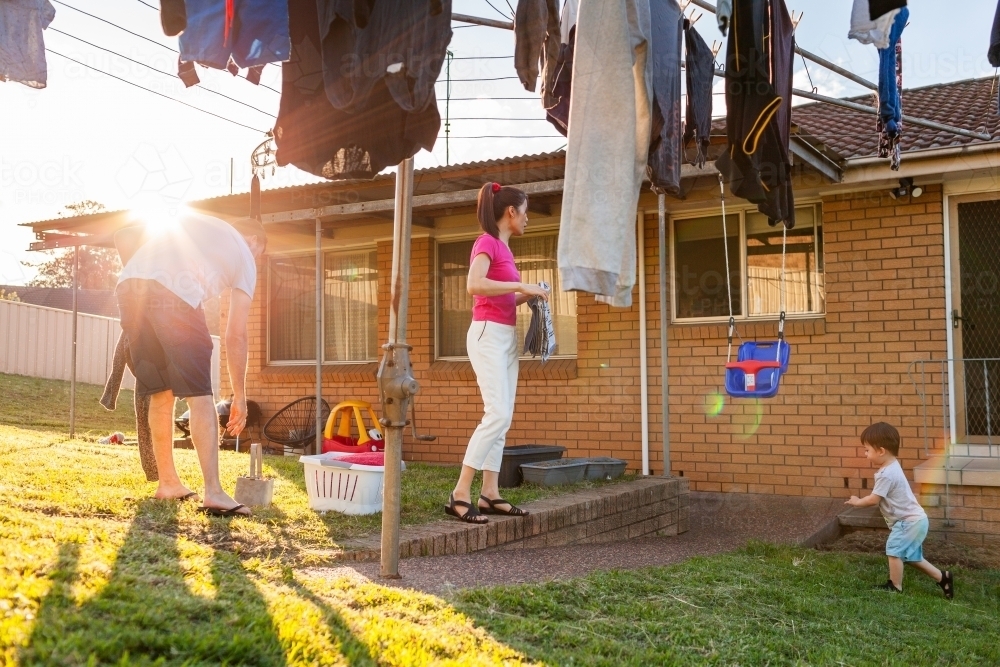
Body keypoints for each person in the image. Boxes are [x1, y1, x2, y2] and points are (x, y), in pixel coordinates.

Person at [116, 212, 266, 517]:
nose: (258, 260)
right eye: (261, 253)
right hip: (173, 292)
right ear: (256, 242)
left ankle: (169, 483)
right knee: (200, 394)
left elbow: (128, 234)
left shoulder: (208, 227)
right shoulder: (246, 255)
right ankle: (214, 492)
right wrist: (239, 395)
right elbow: (236, 335)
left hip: (129, 285)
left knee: (161, 392)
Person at [445, 182, 549, 524]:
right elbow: (475, 285)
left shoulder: (505, 248)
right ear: (510, 212)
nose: (528, 218)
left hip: (505, 336)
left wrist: (528, 295)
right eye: (525, 212)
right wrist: (520, 285)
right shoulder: (486, 242)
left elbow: (500, 295)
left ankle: (490, 493)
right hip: (487, 335)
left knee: (503, 419)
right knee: (497, 414)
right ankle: (460, 494)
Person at [845, 422, 954, 598]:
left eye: (867, 450)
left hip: (908, 521)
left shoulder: (886, 474)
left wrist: (857, 502)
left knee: (894, 549)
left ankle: (895, 586)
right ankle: (943, 577)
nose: (865, 454)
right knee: (911, 557)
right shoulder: (892, 465)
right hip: (916, 520)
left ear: (881, 451)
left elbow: (873, 499)